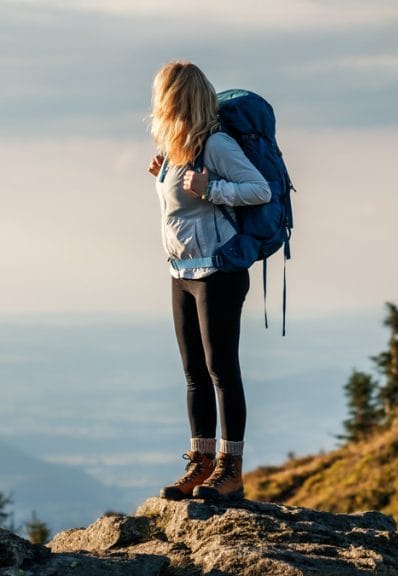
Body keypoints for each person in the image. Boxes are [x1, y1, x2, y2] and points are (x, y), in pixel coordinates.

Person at [147, 61, 271, 501]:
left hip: (218, 271)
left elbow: (260, 190)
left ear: (179, 98)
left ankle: (230, 469)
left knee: (222, 371)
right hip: (181, 271)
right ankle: (200, 463)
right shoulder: (175, 149)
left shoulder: (215, 144)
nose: (158, 103)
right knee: (194, 374)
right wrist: (165, 173)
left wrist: (212, 189)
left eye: (164, 95)